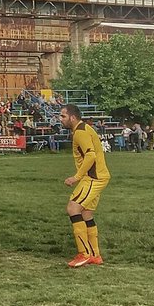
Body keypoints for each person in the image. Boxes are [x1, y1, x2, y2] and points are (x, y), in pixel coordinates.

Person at [60, 104, 111, 268]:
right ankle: (95, 255)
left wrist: (76, 177)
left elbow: (90, 155)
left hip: (93, 178)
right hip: (98, 176)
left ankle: (84, 254)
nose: (60, 119)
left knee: (73, 208)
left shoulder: (80, 132)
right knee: (86, 214)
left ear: (72, 117)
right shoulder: (85, 128)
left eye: (63, 116)